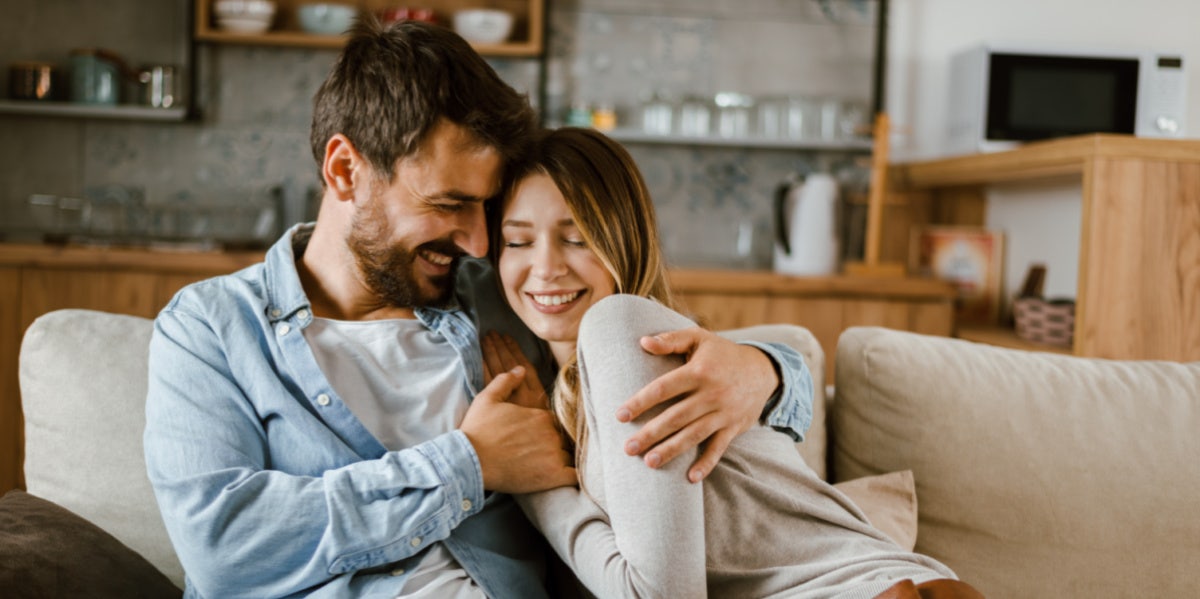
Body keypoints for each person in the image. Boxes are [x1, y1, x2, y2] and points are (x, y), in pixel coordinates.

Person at [144, 19, 812, 598]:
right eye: (448, 204)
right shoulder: (210, 328)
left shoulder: (502, 296)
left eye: (486, 209)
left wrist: (767, 372)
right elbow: (222, 545)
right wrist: (469, 463)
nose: (479, 242)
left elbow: (669, 360)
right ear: (346, 170)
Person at [482, 127, 985, 599]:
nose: (545, 267)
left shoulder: (619, 329)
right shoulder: (574, 390)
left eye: (577, 238)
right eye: (518, 241)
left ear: (624, 241)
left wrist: (538, 488)